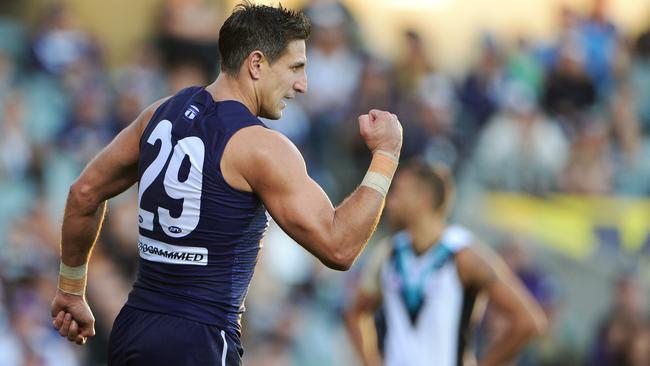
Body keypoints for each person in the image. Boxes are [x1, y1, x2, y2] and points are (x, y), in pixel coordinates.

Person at [49, 2, 403, 365]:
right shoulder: (260, 146)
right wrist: (386, 155)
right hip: (199, 338)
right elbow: (339, 247)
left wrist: (72, 290)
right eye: (295, 68)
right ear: (256, 64)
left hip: (135, 327)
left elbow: (84, 192)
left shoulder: (158, 113)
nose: (302, 84)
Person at [344, 160, 546, 366]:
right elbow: (355, 313)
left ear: (423, 198)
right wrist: (370, 361)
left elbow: (528, 321)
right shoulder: (389, 253)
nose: (390, 201)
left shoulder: (464, 255)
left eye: (398, 192)